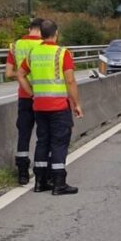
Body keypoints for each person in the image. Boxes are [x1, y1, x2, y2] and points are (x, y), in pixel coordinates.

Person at [18, 19, 84, 195]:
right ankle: (59, 183)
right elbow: (70, 81)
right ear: (56, 33)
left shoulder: (33, 52)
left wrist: (31, 93)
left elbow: (20, 74)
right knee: (59, 143)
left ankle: (40, 182)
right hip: (58, 106)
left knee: (43, 142)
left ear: (41, 33)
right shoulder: (62, 53)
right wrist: (76, 104)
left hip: (39, 106)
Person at [4, 16, 43, 184]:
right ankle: (43, 173)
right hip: (42, 97)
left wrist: (22, 77)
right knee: (44, 135)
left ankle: (22, 173)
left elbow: (9, 73)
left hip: (24, 97)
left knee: (24, 134)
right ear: (42, 31)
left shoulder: (16, 46)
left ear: (29, 29)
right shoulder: (45, 46)